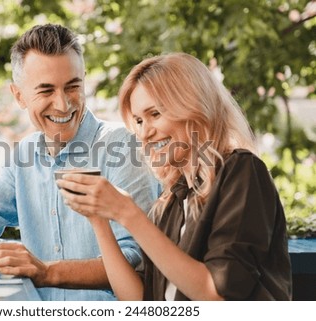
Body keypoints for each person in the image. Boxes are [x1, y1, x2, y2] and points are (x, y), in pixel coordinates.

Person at [0, 24, 159, 301]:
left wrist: (46, 271)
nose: (63, 104)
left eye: (72, 87)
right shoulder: (24, 156)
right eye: (46, 91)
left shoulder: (122, 146)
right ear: (19, 95)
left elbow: (138, 261)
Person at [57, 53, 292, 300]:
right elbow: (139, 301)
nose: (144, 133)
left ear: (193, 107)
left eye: (155, 114)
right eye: (138, 120)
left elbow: (218, 296)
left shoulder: (242, 171)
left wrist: (128, 213)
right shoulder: (172, 200)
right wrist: (99, 220)